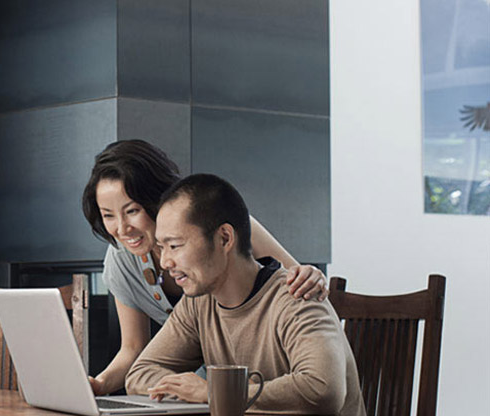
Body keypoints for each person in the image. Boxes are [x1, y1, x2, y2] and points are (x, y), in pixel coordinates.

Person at [81, 140, 330, 396]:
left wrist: (312, 277)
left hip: (256, 380)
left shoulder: (222, 226)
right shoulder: (128, 263)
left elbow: (294, 282)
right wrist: (98, 385)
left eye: (132, 210)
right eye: (108, 215)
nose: (122, 229)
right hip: (208, 378)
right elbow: (134, 351)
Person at [124, 174, 364, 416]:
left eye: (175, 246)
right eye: (161, 247)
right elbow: (140, 373)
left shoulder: (298, 295)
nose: (165, 262)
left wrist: (212, 393)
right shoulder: (198, 303)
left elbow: (323, 390)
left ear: (224, 238)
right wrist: (189, 388)